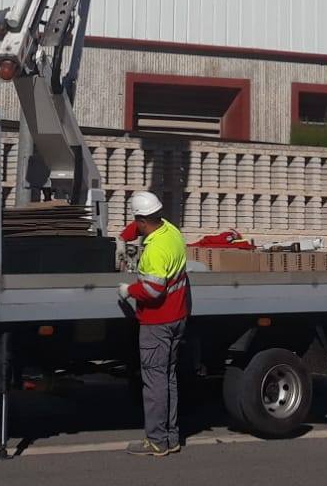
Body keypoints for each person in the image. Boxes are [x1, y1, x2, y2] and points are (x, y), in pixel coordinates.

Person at [117, 190, 188, 455]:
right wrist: (122, 238)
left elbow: (152, 291)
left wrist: (128, 291)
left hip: (158, 322)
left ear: (142, 221)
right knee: (167, 378)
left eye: (137, 224)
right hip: (178, 316)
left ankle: (156, 441)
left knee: (154, 382)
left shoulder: (155, 251)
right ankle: (171, 437)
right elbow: (142, 221)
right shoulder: (171, 231)